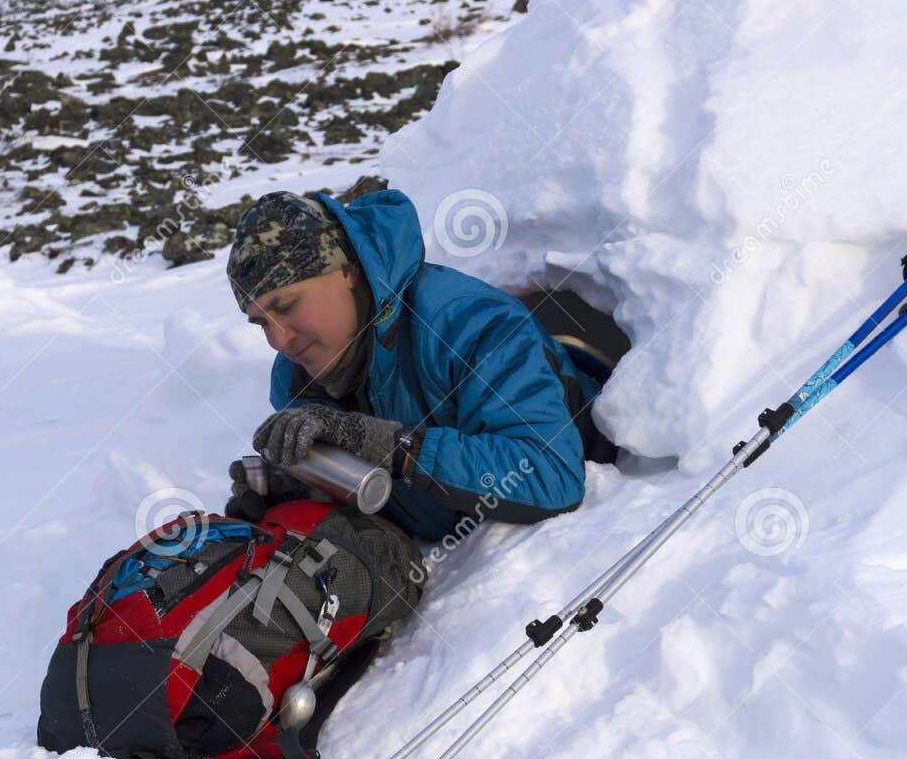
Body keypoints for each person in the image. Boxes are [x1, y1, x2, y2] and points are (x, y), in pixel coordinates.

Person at [224, 188, 616, 543]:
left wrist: (397, 448)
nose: (278, 339)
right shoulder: (294, 381)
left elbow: (552, 475)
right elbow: (402, 506)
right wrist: (303, 484)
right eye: (260, 322)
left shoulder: (470, 324)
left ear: (348, 271)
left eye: (286, 306)